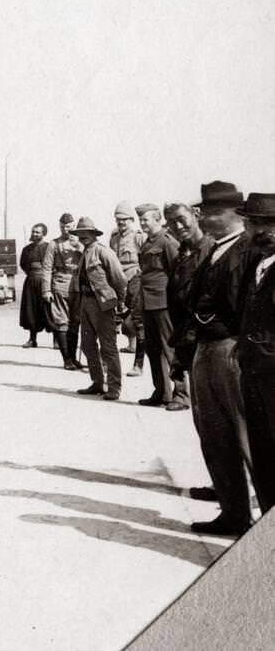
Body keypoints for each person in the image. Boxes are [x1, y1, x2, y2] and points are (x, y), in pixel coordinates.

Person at [178, 181, 255, 536]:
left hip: (232, 349)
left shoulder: (251, 248)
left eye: (210, 211)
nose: (203, 217)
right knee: (214, 435)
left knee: (247, 437)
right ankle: (234, 513)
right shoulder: (213, 250)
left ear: (234, 213)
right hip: (205, 350)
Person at [235, 193, 275, 514]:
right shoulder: (259, 265)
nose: (247, 230)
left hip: (271, 375)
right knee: (263, 457)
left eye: (252, 224)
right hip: (255, 375)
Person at [70, 217, 128, 400]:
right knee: (87, 345)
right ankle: (97, 383)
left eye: (86, 233)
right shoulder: (84, 254)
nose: (83, 236)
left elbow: (119, 279)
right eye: (80, 234)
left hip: (102, 303)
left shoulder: (104, 252)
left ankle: (114, 388)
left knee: (108, 347)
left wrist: (120, 302)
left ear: (94, 234)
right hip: (86, 303)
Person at [165, 201, 210, 412]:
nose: (178, 226)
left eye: (181, 219)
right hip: (184, 328)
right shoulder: (181, 253)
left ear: (196, 215)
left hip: (202, 332)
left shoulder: (210, 249)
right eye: (171, 223)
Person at [136, 203, 179, 407]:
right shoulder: (147, 242)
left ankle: (181, 394)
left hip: (163, 302)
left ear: (157, 219)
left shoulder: (167, 241)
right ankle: (161, 392)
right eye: (141, 219)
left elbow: (176, 272)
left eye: (146, 219)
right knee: (153, 349)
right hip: (148, 301)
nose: (142, 223)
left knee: (170, 349)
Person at [42, 213, 84, 371]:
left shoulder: (81, 242)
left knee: (75, 322)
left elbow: (90, 257)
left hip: (78, 284)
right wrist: (46, 289)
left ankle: (73, 358)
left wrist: (79, 247)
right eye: (63, 227)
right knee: (61, 321)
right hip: (60, 282)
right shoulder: (54, 244)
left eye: (69, 227)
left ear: (74, 226)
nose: (66, 230)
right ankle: (66, 359)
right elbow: (47, 267)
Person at [110, 201, 148, 374]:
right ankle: (131, 345)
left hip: (135, 280)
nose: (121, 223)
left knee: (138, 321)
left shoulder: (138, 237)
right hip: (119, 281)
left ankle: (138, 364)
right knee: (122, 315)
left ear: (131, 220)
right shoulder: (114, 238)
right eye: (118, 220)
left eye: (125, 220)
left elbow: (146, 259)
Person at [18, 224, 53, 348]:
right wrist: (33, 274)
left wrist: (44, 276)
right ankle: (32, 339)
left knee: (49, 310)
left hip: (46, 282)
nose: (34, 234)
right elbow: (23, 264)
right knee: (31, 310)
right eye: (33, 232)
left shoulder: (49, 247)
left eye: (37, 232)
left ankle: (57, 340)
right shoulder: (26, 249)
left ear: (44, 234)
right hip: (31, 282)